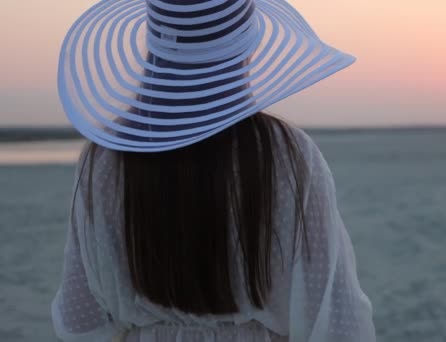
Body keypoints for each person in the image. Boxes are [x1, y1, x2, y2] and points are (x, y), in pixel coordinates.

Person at [51, 0, 376, 341]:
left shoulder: (105, 160)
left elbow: (82, 317)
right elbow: (336, 315)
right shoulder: (288, 156)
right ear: (243, 50)